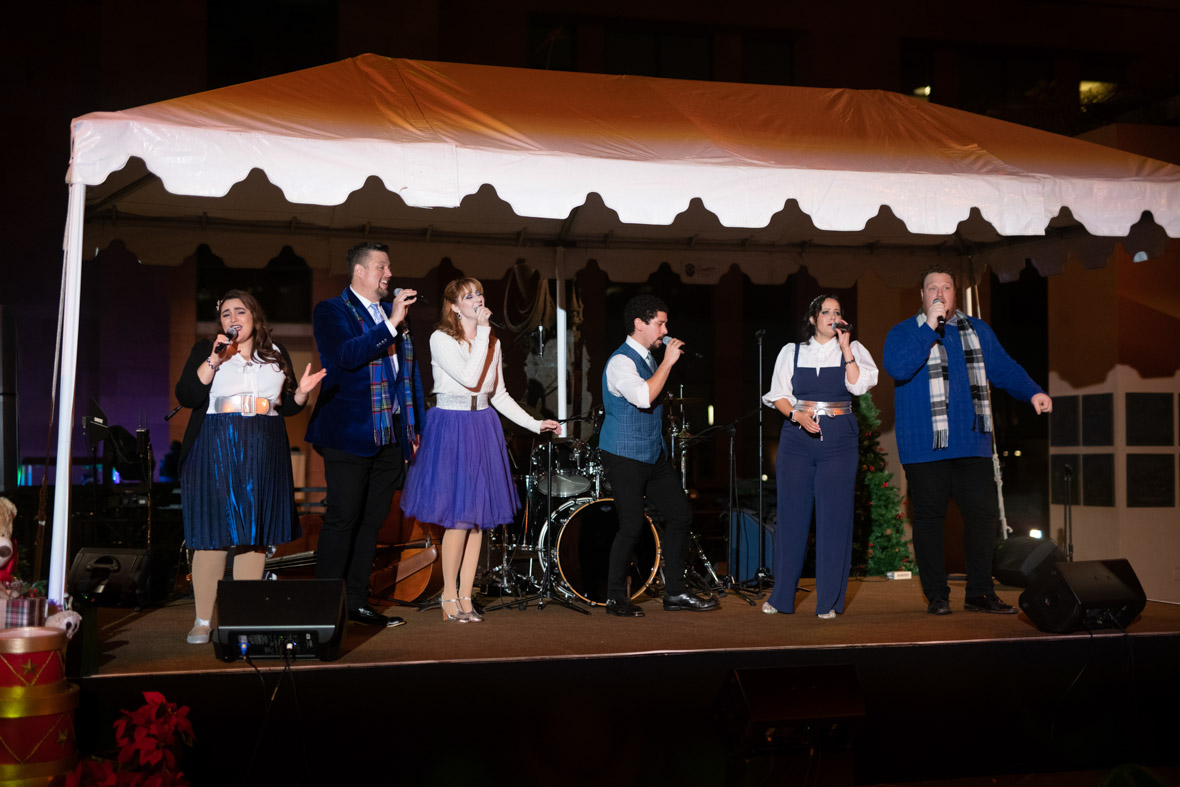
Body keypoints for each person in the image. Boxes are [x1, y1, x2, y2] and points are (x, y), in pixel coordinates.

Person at [883, 265, 1052, 615]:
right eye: (933, 288)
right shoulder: (904, 333)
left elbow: (1004, 368)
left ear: (955, 294)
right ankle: (937, 595)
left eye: (947, 287)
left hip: (972, 442)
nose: (940, 294)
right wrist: (930, 327)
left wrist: (1032, 392)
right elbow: (898, 368)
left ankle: (979, 592)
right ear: (922, 295)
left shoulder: (977, 331)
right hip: (924, 447)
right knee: (930, 521)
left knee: (982, 517)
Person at [400, 278, 561, 622]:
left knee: (478, 523)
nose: (477, 299)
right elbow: (470, 378)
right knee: (458, 519)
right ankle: (447, 598)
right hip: (452, 426)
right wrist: (484, 333)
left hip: (482, 425)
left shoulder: (493, 342)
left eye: (479, 293)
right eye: (468, 296)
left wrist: (535, 424)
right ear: (455, 307)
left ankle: (465, 597)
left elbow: (497, 394)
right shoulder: (441, 339)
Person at [176, 289, 326, 644]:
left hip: (263, 443)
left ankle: (243, 616)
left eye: (239, 312)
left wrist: (301, 394)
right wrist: (215, 359)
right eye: (226, 313)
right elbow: (188, 396)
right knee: (212, 536)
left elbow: (288, 407)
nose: (232, 319)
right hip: (216, 442)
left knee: (254, 537)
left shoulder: (275, 355)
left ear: (255, 317)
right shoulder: (208, 351)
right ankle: (201, 619)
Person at [305, 242, 425, 628]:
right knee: (343, 519)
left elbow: (410, 376)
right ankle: (324, 604)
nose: (389, 274)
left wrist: (415, 427)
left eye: (388, 267)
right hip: (347, 434)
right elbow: (346, 355)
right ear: (359, 271)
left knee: (372, 523)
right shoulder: (331, 310)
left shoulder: (396, 319)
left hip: (390, 435)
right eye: (381, 267)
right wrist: (390, 323)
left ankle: (356, 601)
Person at [598, 294, 720, 617]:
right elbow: (642, 397)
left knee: (680, 515)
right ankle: (615, 598)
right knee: (632, 525)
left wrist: (663, 362)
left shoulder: (651, 358)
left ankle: (675, 593)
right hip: (622, 454)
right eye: (660, 323)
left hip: (652, 454)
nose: (666, 329)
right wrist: (667, 361)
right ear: (639, 324)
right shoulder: (620, 362)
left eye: (665, 322)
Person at [762, 294, 878, 618]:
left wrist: (846, 350)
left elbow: (859, 388)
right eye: (825, 312)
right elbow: (779, 394)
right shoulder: (792, 351)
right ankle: (781, 597)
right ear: (813, 319)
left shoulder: (853, 350)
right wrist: (796, 415)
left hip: (839, 440)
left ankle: (828, 602)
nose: (832, 316)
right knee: (791, 519)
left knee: (834, 520)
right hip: (796, 438)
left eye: (837, 312)